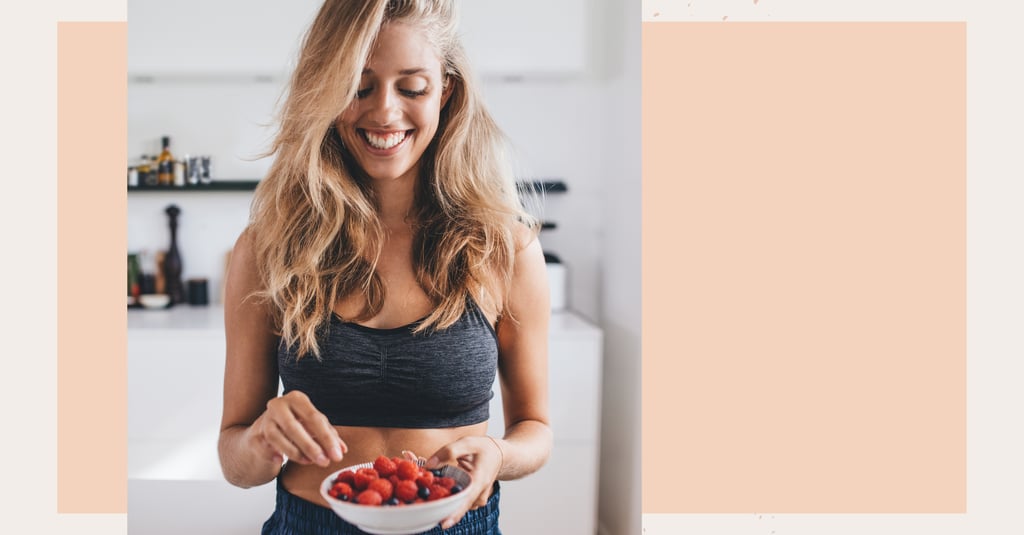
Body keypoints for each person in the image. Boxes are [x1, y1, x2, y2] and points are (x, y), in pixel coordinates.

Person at [217, 0, 552, 533]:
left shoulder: (504, 247)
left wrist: (498, 453)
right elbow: (235, 461)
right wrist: (260, 439)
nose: (384, 113)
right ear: (324, 91)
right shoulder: (267, 248)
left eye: (412, 88)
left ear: (446, 90)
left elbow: (535, 428)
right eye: (358, 87)